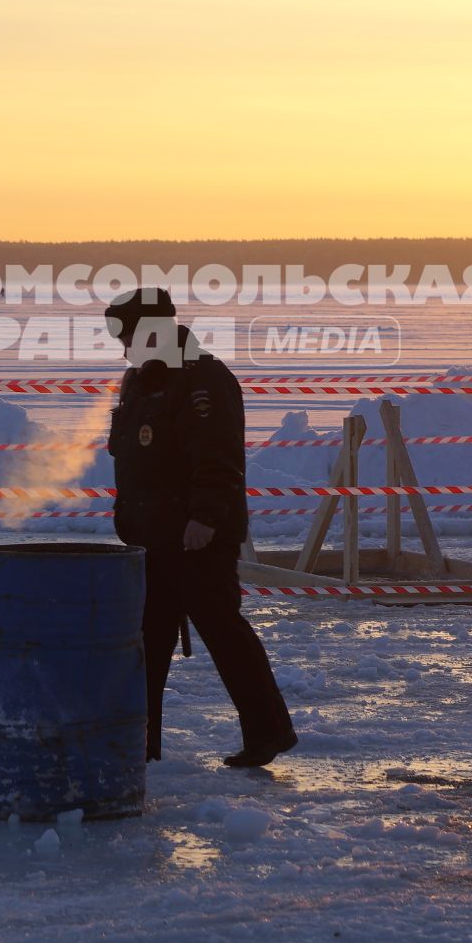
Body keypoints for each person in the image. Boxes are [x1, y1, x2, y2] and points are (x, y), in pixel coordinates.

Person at [103, 288, 296, 768]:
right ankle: (140, 743)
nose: (121, 345)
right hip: (151, 536)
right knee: (145, 644)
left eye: (125, 333)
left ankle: (268, 733)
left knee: (224, 634)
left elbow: (219, 457)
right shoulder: (141, 383)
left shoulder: (203, 380)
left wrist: (205, 518)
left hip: (196, 538)